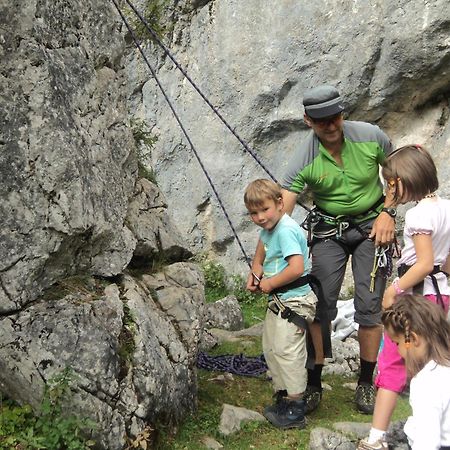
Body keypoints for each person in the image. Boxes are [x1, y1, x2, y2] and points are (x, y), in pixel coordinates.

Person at [279, 84, 395, 414]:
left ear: (343, 114)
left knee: (370, 304)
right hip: (329, 232)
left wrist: (389, 212)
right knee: (320, 304)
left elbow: (399, 173)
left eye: (335, 117)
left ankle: (366, 382)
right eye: (322, 121)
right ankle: (313, 381)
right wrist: (270, 257)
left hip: (374, 228)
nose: (331, 126)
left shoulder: (371, 136)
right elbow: (283, 209)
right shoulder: (305, 156)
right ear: (308, 121)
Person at [358, 144, 450, 449]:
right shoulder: (446, 208)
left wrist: (394, 290)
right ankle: (434, 426)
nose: (388, 188)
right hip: (441, 296)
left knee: (393, 361)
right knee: (434, 360)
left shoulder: (417, 216)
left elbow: (422, 263)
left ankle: (376, 437)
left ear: (401, 182)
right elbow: (443, 261)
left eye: (389, 182)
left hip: (415, 299)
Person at [244, 179, 317, 429]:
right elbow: (261, 257)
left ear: (279, 204)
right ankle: (284, 397)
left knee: (288, 351)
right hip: (279, 300)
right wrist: (256, 275)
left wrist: (271, 283)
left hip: (293, 301)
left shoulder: (285, 230)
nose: (260, 217)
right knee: (272, 347)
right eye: (254, 213)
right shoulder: (269, 230)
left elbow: (296, 268)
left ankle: (296, 407)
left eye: (264, 210)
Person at [379, 295, 450, 450]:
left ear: (412, 339)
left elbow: (427, 442)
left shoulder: (426, 383)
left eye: (397, 343)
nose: (397, 349)